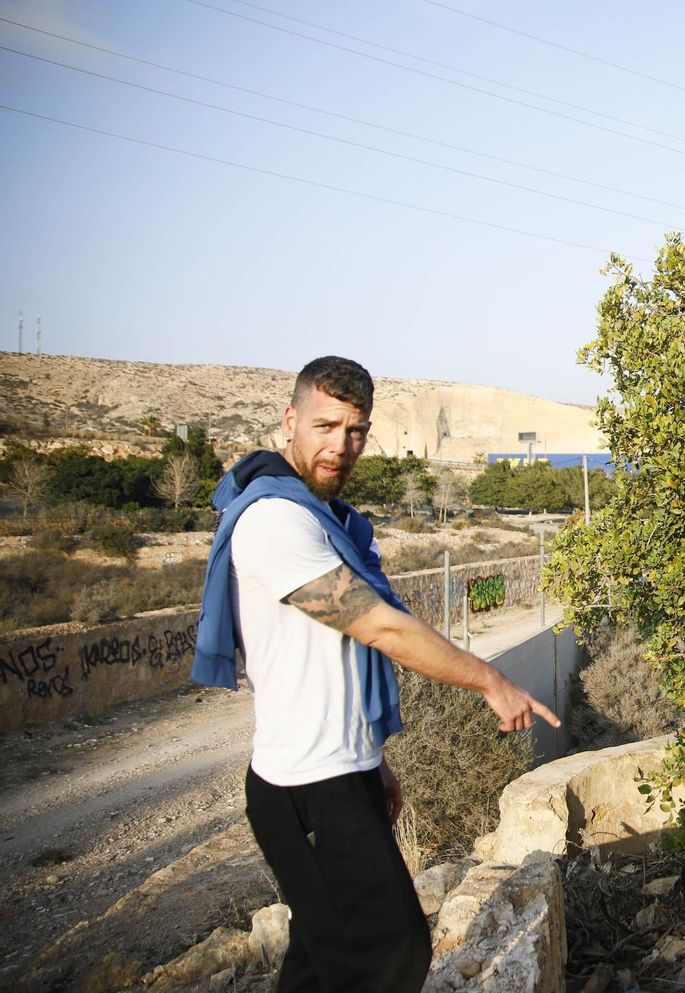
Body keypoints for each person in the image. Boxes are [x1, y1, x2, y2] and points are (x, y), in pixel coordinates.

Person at [191, 355, 557, 993]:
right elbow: (380, 628)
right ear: (290, 421)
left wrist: (373, 761)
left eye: (355, 430)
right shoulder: (275, 520)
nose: (341, 446)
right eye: (325, 425)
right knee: (391, 955)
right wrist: (490, 681)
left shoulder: (319, 515)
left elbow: (332, 668)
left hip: (340, 772)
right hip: (307, 788)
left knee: (320, 960)